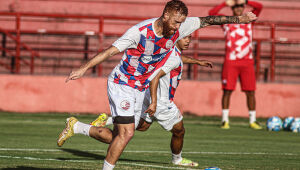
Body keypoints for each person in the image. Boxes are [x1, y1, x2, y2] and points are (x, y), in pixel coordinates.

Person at [58, 0, 257, 169]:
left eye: (181, 23)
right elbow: (110, 51)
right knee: (127, 133)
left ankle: (78, 127)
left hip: (140, 88)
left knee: (121, 135)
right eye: (176, 22)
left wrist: (240, 19)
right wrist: (84, 68)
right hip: (122, 84)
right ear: (165, 16)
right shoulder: (139, 32)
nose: (178, 28)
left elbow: (210, 20)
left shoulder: (179, 28)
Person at [91, 35, 212, 167]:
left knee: (139, 127)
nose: (188, 41)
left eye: (189, 38)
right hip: (161, 102)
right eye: (185, 38)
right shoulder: (171, 56)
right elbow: (155, 77)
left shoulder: (169, 52)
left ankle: (83, 126)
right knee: (179, 130)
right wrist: (154, 102)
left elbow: (178, 59)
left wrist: (197, 62)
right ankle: (177, 160)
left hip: (148, 97)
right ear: (176, 38)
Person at [208, 0, 263, 130]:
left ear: (243, 8)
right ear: (232, 9)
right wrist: (226, 4)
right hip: (231, 61)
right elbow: (211, 13)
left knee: (250, 91)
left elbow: (259, 7)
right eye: (236, 6)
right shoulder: (227, 21)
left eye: (240, 6)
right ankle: (225, 120)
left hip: (247, 61)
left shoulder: (249, 19)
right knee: (227, 91)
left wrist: (246, 0)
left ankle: (252, 120)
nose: (238, 9)